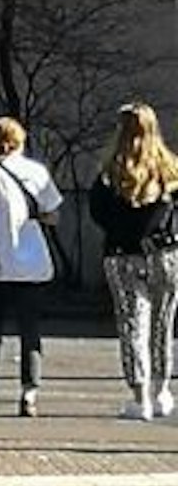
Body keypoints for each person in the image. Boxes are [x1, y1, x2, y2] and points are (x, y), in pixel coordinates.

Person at [0, 116, 64, 419]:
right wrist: (34, 219)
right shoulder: (37, 173)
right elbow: (54, 216)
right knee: (30, 331)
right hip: (32, 266)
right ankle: (29, 393)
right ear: (21, 140)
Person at [89, 102, 178, 421]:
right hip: (165, 254)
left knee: (132, 325)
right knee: (162, 325)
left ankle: (140, 397)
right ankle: (163, 390)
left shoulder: (109, 174)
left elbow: (98, 213)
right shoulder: (169, 171)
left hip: (122, 255)